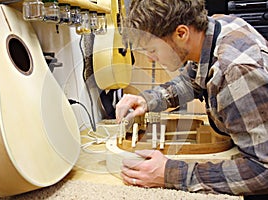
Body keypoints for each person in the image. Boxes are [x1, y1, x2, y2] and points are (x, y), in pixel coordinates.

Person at [115, 0, 268, 199]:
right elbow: (193, 81)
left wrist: (170, 174)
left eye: (153, 50)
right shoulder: (218, 28)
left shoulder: (233, 71)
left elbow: (262, 170)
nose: (151, 59)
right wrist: (148, 100)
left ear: (181, 33)